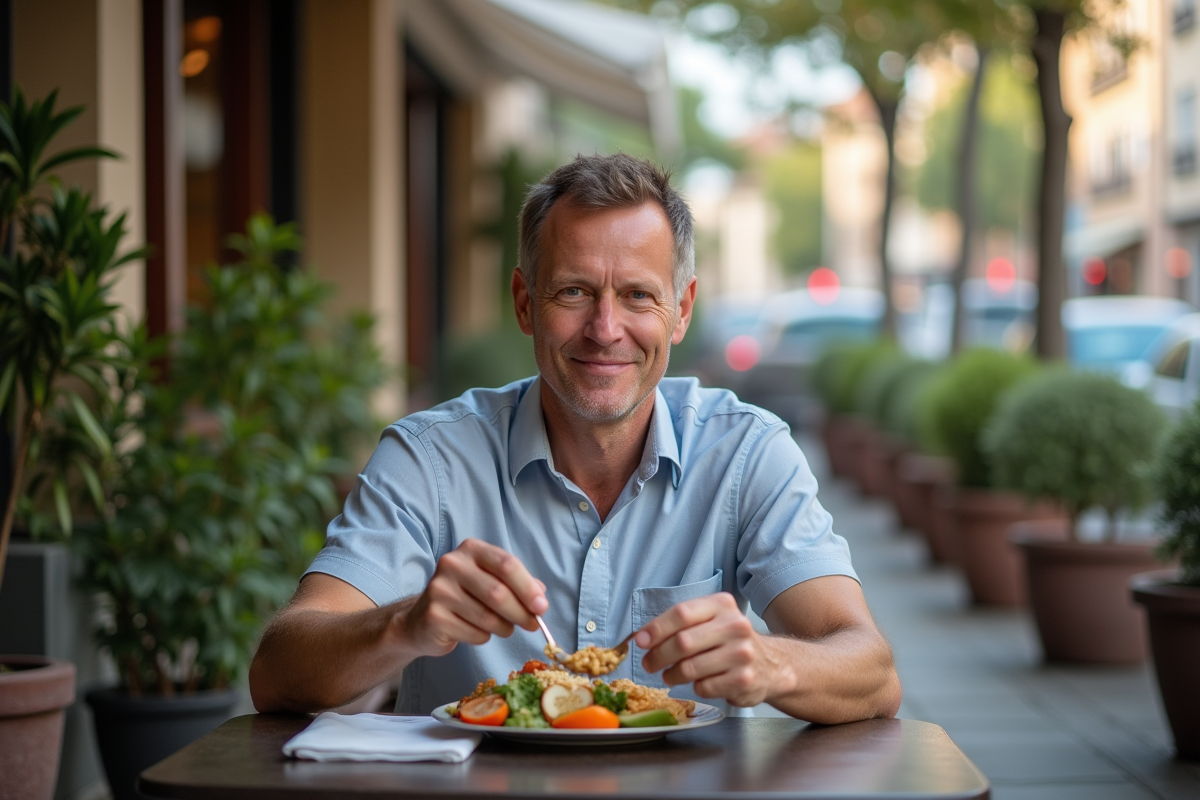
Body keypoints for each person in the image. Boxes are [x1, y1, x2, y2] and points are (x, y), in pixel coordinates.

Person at [249, 153, 901, 723]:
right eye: (574, 292)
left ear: (683, 309)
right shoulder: (430, 460)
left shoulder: (746, 454)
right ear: (525, 302)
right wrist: (405, 623)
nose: (605, 328)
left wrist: (772, 664)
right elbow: (277, 672)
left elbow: (870, 668)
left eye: (639, 296)